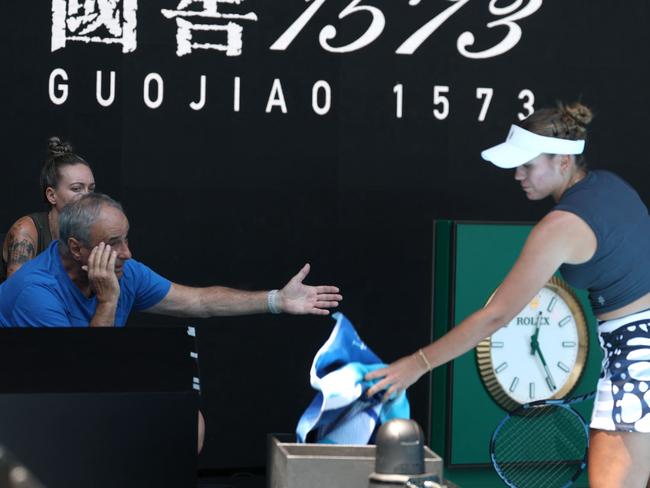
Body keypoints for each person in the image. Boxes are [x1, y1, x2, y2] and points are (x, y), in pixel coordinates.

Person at [365, 102, 650, 487]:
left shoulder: (561, 226)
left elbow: (496, 316)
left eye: (528, 165)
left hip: (637, 359)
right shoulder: (613, 186)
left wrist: (416, 364)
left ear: (563, 162)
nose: (518, 175)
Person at [0, 137, 95, 282]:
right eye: (76, 188)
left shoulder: (89, 232)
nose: (87, 197)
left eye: (91, 189)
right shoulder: (26, 231)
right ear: (52, 195)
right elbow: (18, 295)